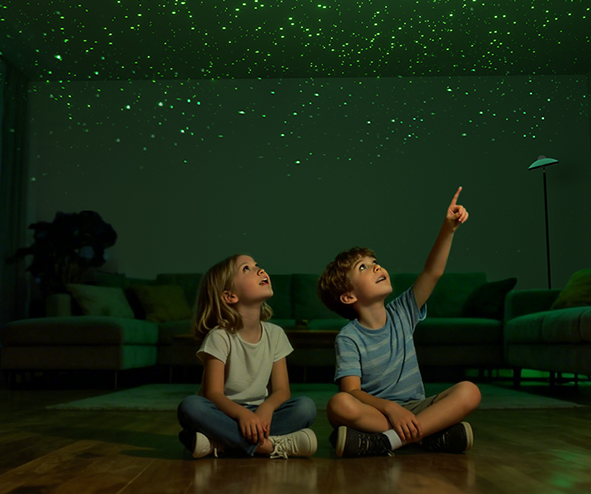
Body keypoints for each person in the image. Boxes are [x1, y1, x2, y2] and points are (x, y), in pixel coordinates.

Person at [318, 187, 483, 457]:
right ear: (348, 296)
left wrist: (448, 229)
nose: (376, 267)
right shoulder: (348, 337)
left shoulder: (403, 312)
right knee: (338, 405)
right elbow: (352, 392)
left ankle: (386, 442)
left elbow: (433, 271)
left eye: (375, 262)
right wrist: (390, 408)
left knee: (469, 391)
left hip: (417, 408)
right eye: (363, 267)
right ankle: (429, 436)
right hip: (379, 412)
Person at [176, 254, 318, 458]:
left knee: (306, 407)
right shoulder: (219, 336)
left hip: (260, 413)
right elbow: (213, 394)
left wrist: (266, 409)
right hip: (224, 413)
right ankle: (270, 446)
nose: (260, 270)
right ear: (230, 296)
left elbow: (281, 390)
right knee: (190, 407)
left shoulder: (275, 334)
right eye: (246, 268)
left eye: (257, 265)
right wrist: (242, 415)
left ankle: (221, 443)